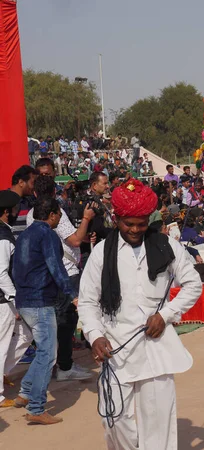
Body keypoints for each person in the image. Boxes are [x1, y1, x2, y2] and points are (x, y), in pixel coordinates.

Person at [78, 179, 202, 449]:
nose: (135, 230)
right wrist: (95, 336)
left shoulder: (166, 246)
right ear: (117, 219)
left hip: (156, 349)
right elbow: (87, 302)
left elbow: (194, 285)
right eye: (129, 224)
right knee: (114, 420)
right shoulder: (101, 253)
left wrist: (166, 315)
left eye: (141, 224)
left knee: (158, 423)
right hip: (115, 349)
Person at [12, 198, 77, 424]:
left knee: (43, 352)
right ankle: (37, 408)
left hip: (25, 299)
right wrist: (72, 294)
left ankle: (26, 392)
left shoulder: (25, 236)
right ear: (51, 214)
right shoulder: (48, 235)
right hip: (40, 300)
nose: (60, 218)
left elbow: (15, 268)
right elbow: (56, 267)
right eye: (59, 214)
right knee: (48, 354)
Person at [26, 175, 96, 382]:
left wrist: (82, 235)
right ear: (54, 193)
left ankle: (55, 365)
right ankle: (64, 366)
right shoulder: (57, 212)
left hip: (48, 273)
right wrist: (86, 219)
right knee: (66, 320)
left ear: (35, 193)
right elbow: (74, 241)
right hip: (65, 271)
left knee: (55, 322)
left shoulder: (32, 214)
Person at [0, 190, 33, 408]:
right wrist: (14, 297)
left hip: (6, 299)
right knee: (2, 345)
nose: (16, 213)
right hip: (4, 301)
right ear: (6, 212)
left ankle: (2, 372)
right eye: (14, 210)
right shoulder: (3, 237)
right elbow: (1, 272)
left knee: (26, 334)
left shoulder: (5, 232)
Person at [10, 165, 38, 240]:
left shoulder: (29, 201)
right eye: (33, 183)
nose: (34, 186)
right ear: (21, 182)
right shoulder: (5, 201)